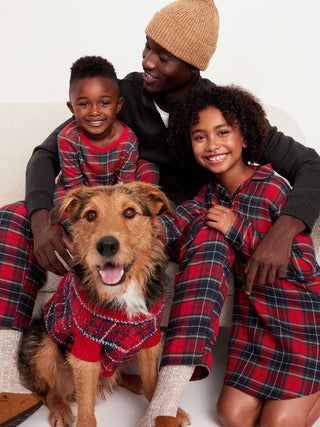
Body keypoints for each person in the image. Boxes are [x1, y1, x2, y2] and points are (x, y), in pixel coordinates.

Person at [0, 0, 320, 425]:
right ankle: (9, 378)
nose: (147, 61)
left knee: (211, 239)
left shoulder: (218, 112)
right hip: (117, 218)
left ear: (193, 65)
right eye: (147, 47)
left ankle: (164, 400)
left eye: (162, 56)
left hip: (182, 222)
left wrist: (285, 229)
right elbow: (46, 153)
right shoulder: (123, 93)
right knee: (13, 216)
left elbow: (312, 165)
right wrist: (42, 221)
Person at [151, 84, 320, 426]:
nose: (212, 145)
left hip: (299, 323)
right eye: (200, 137)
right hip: (254, 327)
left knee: (278, 423)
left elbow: (304, 268)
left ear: (245, 138)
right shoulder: (208, 195)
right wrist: (127, 229)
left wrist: (236, 229)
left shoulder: (273, 187)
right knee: (232, 416)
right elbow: (172, 225)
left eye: (223, 132)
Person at [54, 55, 159, 230]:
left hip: (115, 195)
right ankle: (81, 235)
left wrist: (112, 211)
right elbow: (75, 190)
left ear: (118, 105)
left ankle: (135, 228)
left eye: (104, 103)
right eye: (84, 104)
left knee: (149, 169)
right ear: (72, 108)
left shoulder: (128, 141)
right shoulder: (68, 138)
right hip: (81, 196)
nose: (95, 111)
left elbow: (124, 189)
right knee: (59, 199)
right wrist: (92, 211)